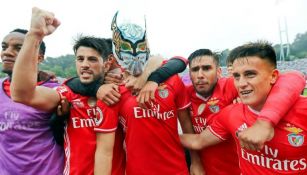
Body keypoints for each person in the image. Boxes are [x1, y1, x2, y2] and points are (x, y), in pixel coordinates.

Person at [93, 11, 202, 175]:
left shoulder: (171, 80)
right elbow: (104, 151)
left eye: (141, 46)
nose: (135, 54)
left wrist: (196, 162)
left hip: (177, 170)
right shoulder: (112, 92)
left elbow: (187, 126)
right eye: (127, 47)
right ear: (116, 51)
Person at [181, 41, 307, 175]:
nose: (241, 84)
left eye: (250, 74)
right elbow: (198, 141)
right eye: (236, 76)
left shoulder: (302, 110)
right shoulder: (230, 113)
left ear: (273, 76)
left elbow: (294, 76)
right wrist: (157, 136)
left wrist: (265, 121)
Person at [0, 28, 63, 174]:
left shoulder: (55, 91)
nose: (7, 52)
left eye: (19, 48)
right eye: (4, 47)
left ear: (39, 58)